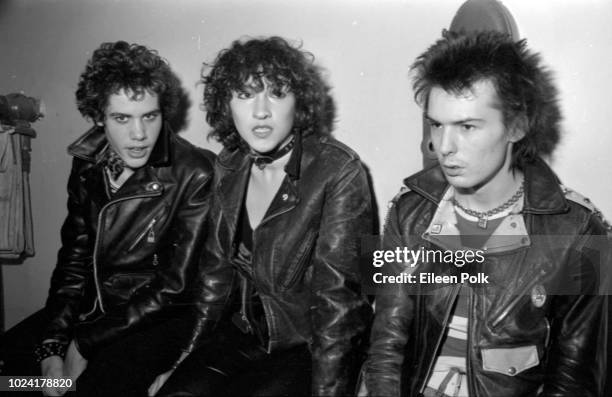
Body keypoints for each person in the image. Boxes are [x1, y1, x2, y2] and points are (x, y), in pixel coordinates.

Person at [365, 30, 610, 397]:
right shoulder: (409, 211)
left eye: (466, 127)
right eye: (436, 124)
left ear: (517, 125)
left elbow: (574, 379)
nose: (443, 148)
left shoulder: (580, 229)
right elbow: (386, 345)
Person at [148, 36, 374, 397]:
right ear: (227, 104)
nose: (261, 111)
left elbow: (340, 305)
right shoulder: (229, 163)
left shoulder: (339, 171)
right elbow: (214, 279)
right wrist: (183, 361)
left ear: (298, 101)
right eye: (245, 94)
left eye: (277, 93)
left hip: (305, 346)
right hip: (241, 332)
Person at [0, 41, 215, 396]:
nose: (139, 135)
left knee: (89, 388)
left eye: (150, 116)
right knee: (14, 380)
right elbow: (74, 261)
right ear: (99, 117)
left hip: (155, 318)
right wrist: (53, 344)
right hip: (92, 311)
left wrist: (84, 343)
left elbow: (174, 287)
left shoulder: (195, 172)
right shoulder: (86, 164)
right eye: (121, 118)